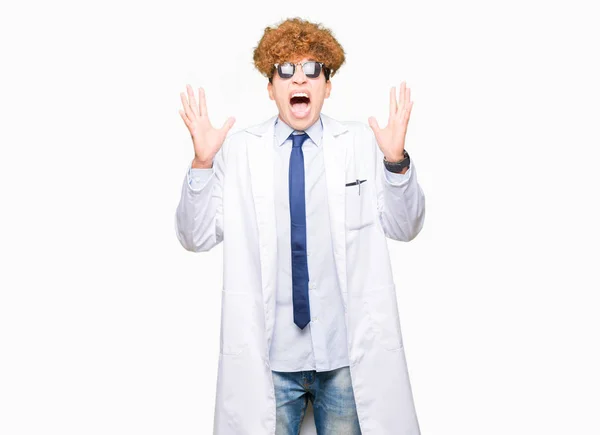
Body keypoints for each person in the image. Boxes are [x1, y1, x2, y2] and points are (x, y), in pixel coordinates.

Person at [175, 17, 425, 435]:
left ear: (327, 86)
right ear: (271, 88)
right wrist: (202, 163)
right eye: (285, 70)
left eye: (313, 70)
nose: (299, 79)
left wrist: (396, 161)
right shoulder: (239, 152)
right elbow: (194, 235)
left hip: (344, 358)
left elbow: (406, 225)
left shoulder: (363, 145)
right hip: (270, 363)